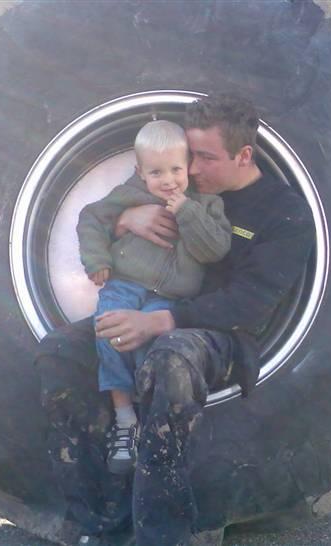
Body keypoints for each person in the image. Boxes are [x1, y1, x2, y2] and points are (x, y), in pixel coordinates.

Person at [35, 93, 315, 546]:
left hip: (220, 335)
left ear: (244, 155)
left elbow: (251, 303)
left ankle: (161, 535)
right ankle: (94, 525)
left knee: (170, 358)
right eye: (190, 155)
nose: (192, 169)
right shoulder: (175, 182)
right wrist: (126, 219)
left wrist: (165, 320)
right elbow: (103, 213)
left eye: (204, 158)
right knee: (60, 351)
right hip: (144, 302)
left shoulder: (284, 213)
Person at [76, 120, 231, 474]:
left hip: (172, 297)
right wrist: (97, 259)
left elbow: (215, 251)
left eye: (176, 169)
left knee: (155, 348)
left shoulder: (206, 205)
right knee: (111, 331)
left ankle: (150, 420)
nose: (168, 180)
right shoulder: (128, 195)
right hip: (126, 284)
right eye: (156, 172)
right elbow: (91, 219)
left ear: (189, 166)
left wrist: (187, 212)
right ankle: (124, 418)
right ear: (140, 172)